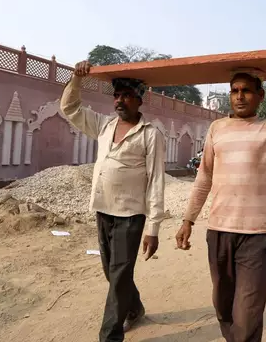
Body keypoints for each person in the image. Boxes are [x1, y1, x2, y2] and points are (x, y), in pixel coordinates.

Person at [175, 53, 266, 341]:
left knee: (249, 310)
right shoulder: (217, 129)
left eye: (246, 91)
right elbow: (204, 176)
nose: (239, 97)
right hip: (218, 231)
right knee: (223, 305)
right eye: (235, 91)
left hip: (254, 235)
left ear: (260, 96)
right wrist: (187, 220)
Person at [60, 61, 166, 342]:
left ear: (140, 99)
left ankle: (110, 335)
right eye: (116, 95)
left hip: (131, 215)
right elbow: (70, 109)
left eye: (126, 95)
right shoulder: (104, 125)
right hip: (103, 209)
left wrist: (153, 228)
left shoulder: (150, 134)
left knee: (119, 274)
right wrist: (76, 80)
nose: (119, 101)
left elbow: (156, 180)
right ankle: (135, 307)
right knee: (112, 271)